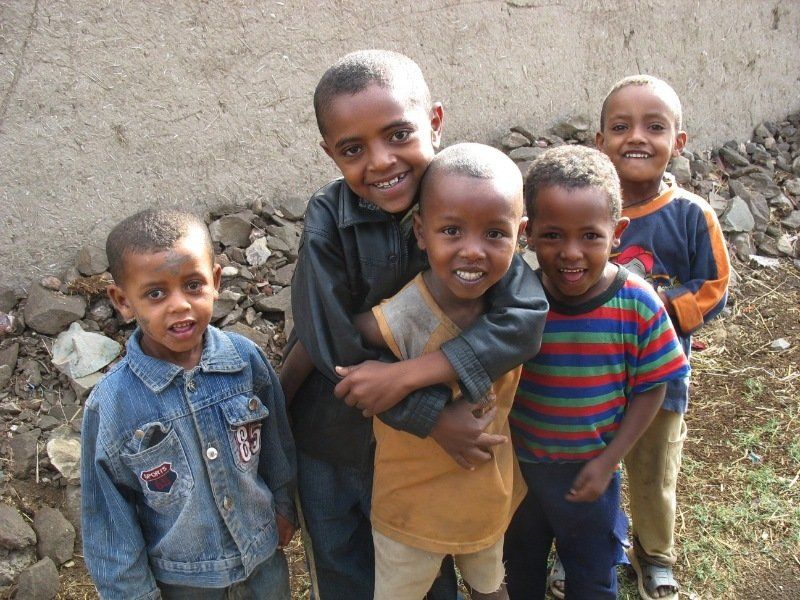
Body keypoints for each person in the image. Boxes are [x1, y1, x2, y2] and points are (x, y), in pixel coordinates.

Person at [283, 49, 548, 600]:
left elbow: (523, 318)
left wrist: (419, 389)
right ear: (331, 154)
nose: (380, 162)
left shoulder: (468, 199)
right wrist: (429, 415)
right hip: (334, 436)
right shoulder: (328, 220)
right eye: (354, 149)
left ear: (435, 122)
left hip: (427, 460)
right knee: (343, 567)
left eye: (398, 134)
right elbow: (329, 340)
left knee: (428, 569)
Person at [503, 145, 690, 599]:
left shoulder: (638, 303)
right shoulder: (514, 299)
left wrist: (610, 460)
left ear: (618, 232)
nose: (571, 253)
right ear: (526, 233)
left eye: (590, 236)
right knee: (519, 567)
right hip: (518, 473)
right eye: (552, 236)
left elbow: (653, 386)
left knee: (592, 573)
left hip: (592, 474)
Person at [81, 209, 296, 600]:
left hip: (263, 566)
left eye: (193, 285)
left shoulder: (245, 360)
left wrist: (283, 507)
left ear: (215, 282)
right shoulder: (112, 405)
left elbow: (277, 445)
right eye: (155, 293)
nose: (180, 305)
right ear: (123, 301)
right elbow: (109, 521)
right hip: (184, 584)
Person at [343, 143, 526, 600]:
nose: (473, 252)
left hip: (485, 494)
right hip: (410, 506)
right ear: (421, 233)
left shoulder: (512, 311)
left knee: (489, 586)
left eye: (495, 235)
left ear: (519, 234)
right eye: (451, 231)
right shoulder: (405, 314)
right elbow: (343, 344)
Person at [596, 75, 730, 600]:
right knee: (592, 466)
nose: (636, 137)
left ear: (678, 142)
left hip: (660, 381)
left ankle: (654, 555)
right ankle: (594, 543)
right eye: (620, 126)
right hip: (591, 376)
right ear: (599, 141)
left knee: (653, 474)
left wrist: (657, 306)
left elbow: (715, 286)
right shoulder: (589, 207)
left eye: (655, 127)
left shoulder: (690, 214)